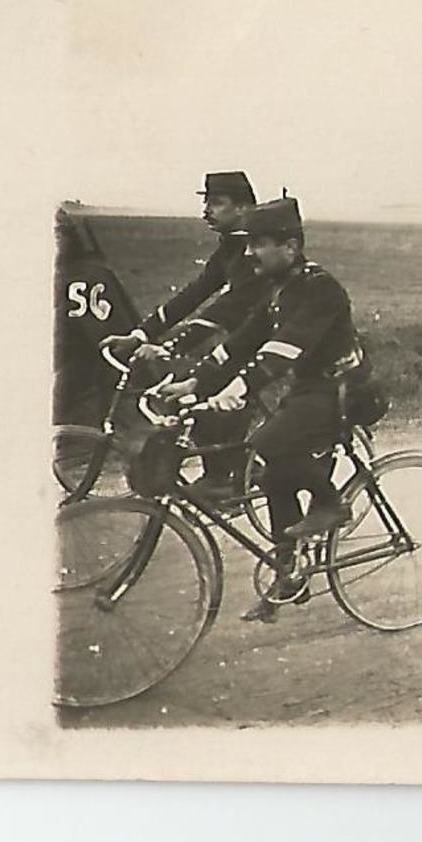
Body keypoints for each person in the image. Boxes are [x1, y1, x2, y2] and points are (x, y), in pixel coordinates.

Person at [153, 197, 376, 623]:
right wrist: (193, 381)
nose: (250, 252)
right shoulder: (278, 288)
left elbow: (281, 351)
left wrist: (238, 389)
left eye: (259, 244)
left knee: (266, 442)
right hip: (311, 389)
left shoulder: (320, 288)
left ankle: (330, 504)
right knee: (273, 470)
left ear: (290, 247)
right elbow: (241, 343)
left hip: (344, 390)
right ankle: (290, 573)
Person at [101, 171, 272, 495]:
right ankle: (230, 467)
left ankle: (228, 476)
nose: (206, 210)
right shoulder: (233, 247)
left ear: (244, 208)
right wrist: (140, 336)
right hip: (243, 338)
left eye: (217, 203)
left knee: (200, 384)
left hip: (272, 342)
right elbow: (194, 295)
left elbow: (227, 310)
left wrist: (168, 347)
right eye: (206, 201)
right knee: (191, 382)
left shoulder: (254, 250)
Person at [53, 206, 139, 425]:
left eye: (59, 233)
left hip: (84, 366)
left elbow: (115, 329)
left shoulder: (88, 275)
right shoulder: (92, 271)